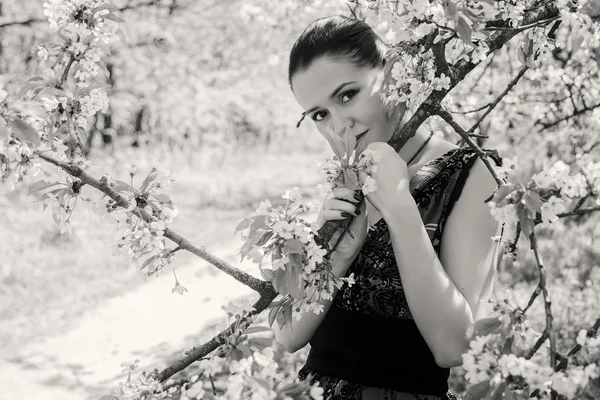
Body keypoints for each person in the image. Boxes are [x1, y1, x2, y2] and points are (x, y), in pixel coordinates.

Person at [274, 15, 503, 400]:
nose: (338, 126)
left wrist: (400, 209)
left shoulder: (471, 172)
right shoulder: (347, 178)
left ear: (393, 74)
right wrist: (336, 261)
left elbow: (455, 347)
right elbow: (286, 334)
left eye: (347, 95)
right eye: (319, 115)